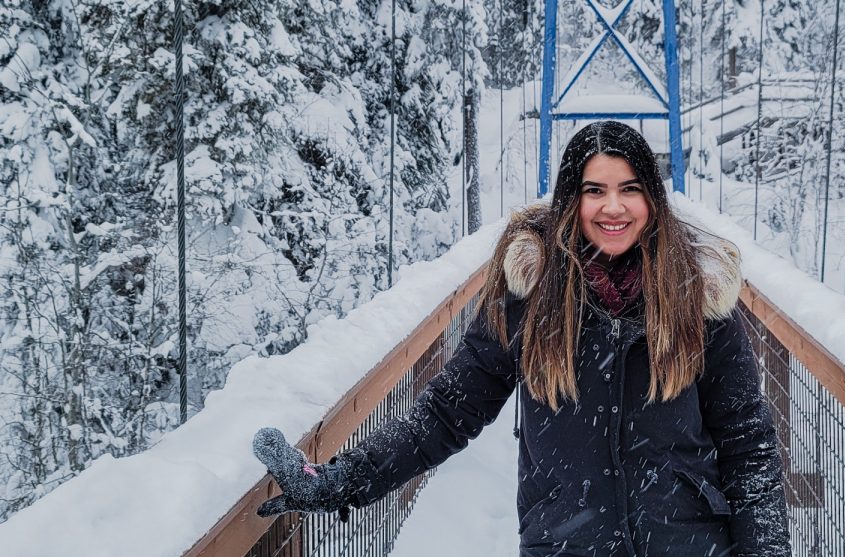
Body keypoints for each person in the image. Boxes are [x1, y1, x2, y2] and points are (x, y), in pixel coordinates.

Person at [253, 120, 790, 556]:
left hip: (689, 546)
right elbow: (444, 414)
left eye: (630, 189)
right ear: (569, 202)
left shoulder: (697, 300)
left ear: (653, 199)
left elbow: (748, 443)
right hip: (566, 546)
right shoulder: (530, 300)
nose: (613, 207)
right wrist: (338, 482)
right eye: (594, 190)